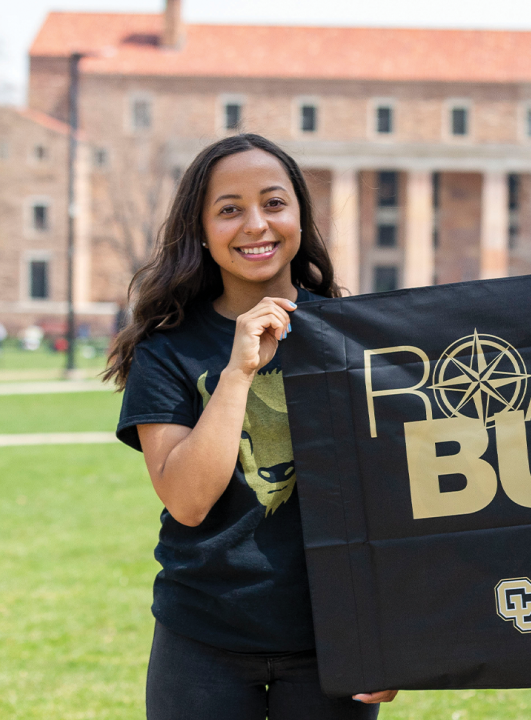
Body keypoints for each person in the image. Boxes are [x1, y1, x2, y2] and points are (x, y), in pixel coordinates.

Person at [105, 134, 399, 719]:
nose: (256, 225)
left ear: (300, 217)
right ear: (201, 229)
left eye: (273, 203)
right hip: (202, 638)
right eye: (229, 209)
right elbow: (188, 502)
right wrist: (238, 371)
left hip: (333, 636)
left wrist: (391, 636)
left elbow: (392, 499)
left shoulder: (353, 338)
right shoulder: (167, 350)